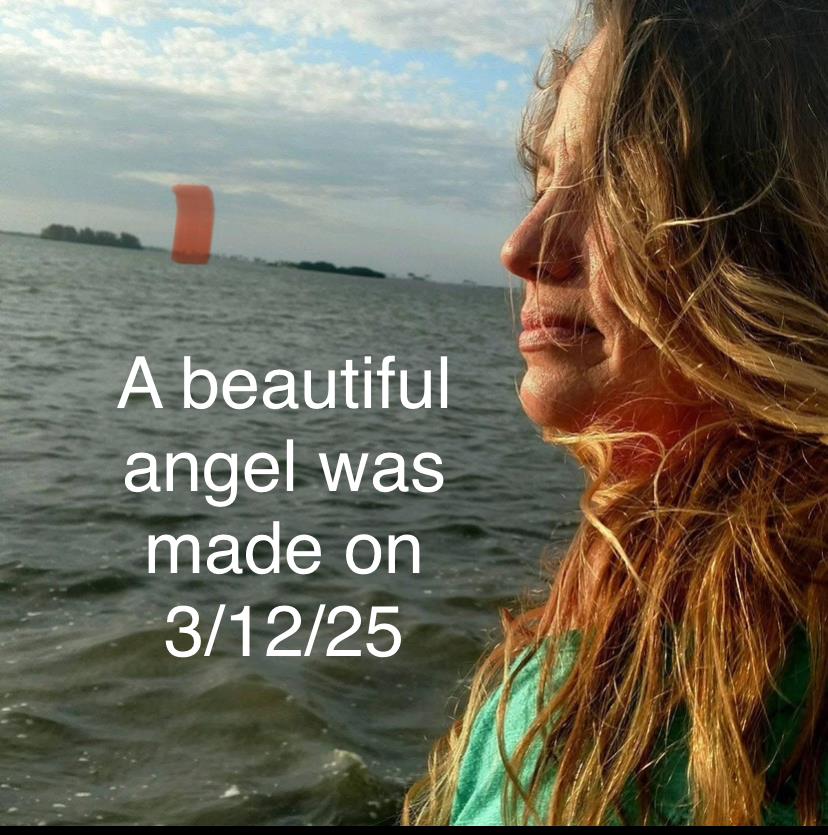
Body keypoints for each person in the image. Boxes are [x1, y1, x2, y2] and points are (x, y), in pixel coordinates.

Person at [403, 0, 828, 826]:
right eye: (543, 182)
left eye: (615, 187)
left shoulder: (649, 720)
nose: (524, 247)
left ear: (766, 243)